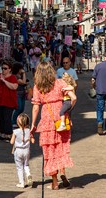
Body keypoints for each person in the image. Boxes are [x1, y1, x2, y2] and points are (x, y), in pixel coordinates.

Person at [30, 61, 74, 190]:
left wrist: (33, 124)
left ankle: (54, 182)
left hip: (47, 119)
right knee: (61, 146)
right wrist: (68, 111)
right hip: (61, 117)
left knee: (50, 150)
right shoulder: (60, 83)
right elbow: (72, 98)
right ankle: (63, 173)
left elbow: (35, 107)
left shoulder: (38, 87)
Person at [0, 59, 18, 140]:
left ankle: (9, 134)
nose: (3, 70)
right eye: (2, 68)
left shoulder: (13, 77)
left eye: (5, 68)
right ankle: (2, 133)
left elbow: (14, 87)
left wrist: (4, 81)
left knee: (7, 118)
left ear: (10, 69)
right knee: (1, 118)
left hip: (9, 102)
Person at [11, 113, 34, 188]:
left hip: (18, 151)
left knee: (19, 167)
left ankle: (22, 182)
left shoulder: (15, 131)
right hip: (26, 151)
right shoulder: (29, 131)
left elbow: (11, 142)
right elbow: (33, 141)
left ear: (18, 122)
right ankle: (28, 174)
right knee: (26, 165)